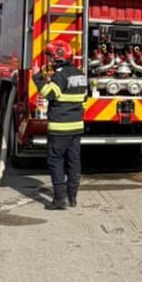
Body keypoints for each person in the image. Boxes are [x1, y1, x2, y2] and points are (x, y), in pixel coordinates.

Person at [34, 39, 88, 211]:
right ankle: (72, 197)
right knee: (74, 161)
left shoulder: (59, 76)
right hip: (76, 127)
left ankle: (59, 198)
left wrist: (37, 77)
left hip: (59, 127)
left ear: (57, 57)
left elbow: (49, 94)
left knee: (55, 161)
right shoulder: (80, 75)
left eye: (50, 57)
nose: (49, 60)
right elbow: (84, 100)